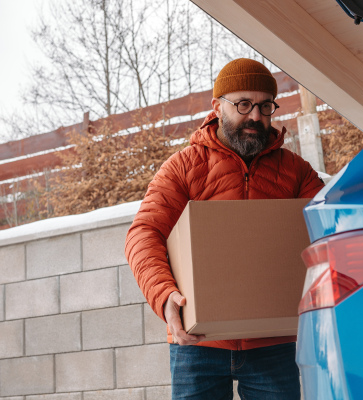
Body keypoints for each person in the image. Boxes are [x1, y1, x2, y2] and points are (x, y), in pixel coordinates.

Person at [125, 58, 325, 400]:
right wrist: (164, 295)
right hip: (198, 342)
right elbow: (144, 233)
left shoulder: (296, 172)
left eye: (265, 106)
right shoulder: (183, 167)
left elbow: (326, 233)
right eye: (243, 104)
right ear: (217, 107)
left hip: (272, 340)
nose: (256, 116)